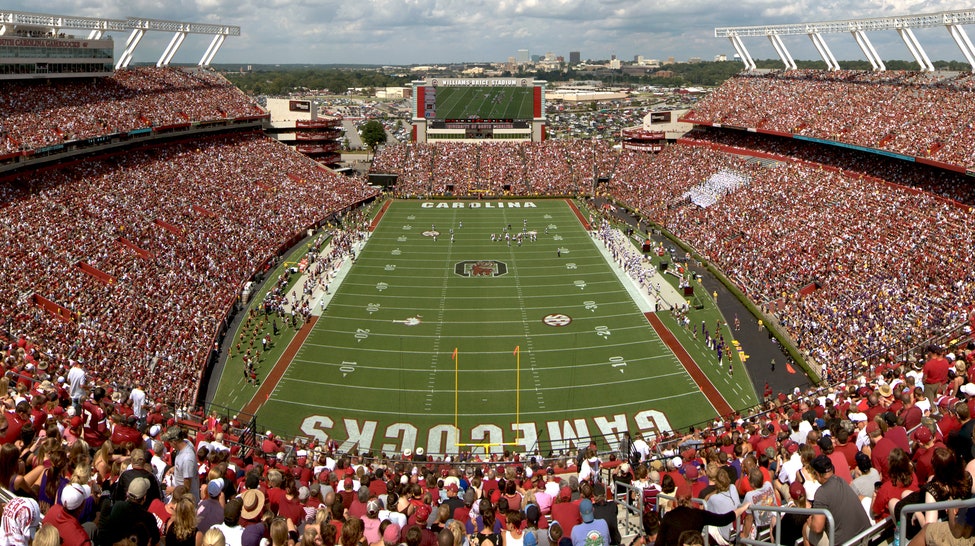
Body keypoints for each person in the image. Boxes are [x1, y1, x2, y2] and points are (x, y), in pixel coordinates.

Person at [804, 455, 870, 546]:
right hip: (866, 537)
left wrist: (811, 523)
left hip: (847, 543)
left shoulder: (821, 493)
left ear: (817, 474)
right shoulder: (841, 481)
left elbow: (817, 528)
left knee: (806, 529)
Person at [653, 485, 750, 546]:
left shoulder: (668, 516)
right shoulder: (699, 514)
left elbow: (659, 543)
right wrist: (742, 508)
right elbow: (724, 519)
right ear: (691, 498)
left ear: (676, 499)